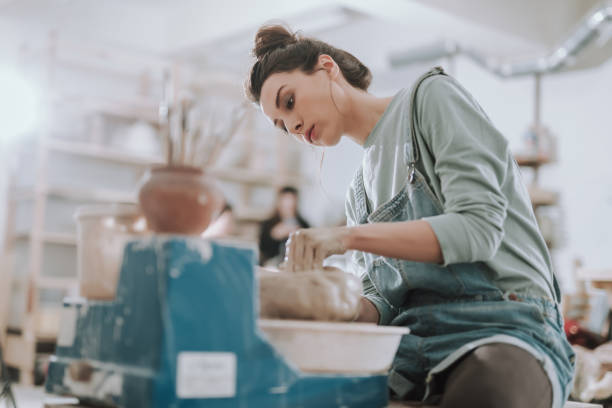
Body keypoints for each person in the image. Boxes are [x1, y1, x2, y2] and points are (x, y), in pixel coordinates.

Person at [246, 25, 575, 408]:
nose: (294, 126)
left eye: (289, 102)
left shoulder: (430, 99)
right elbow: (382, 305)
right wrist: (327, 295)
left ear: (326, 68)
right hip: (415, 348)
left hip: (507, 329)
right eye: (282, 125)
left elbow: (478, 228)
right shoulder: (358, 192)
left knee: (484, 392)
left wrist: (347, 237)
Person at [258, 186, 310, 266]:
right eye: (285, 199)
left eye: (291, 199)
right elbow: (262, 250)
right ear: (279, 202)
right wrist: (273, 236)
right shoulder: (268, 225)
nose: (288, 203)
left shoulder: (304, 225)